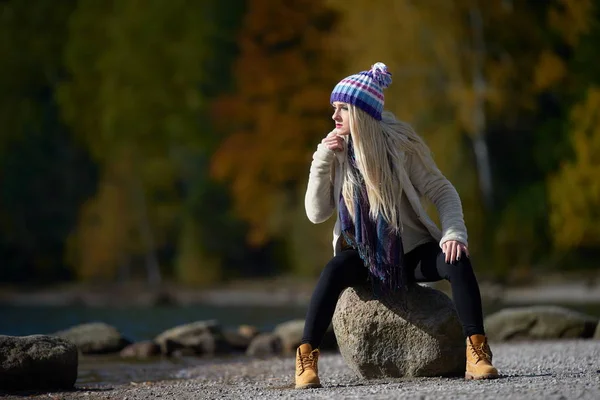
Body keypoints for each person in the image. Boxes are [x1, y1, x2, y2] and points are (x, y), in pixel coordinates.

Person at [295, 62, 499, 389]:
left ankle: (476, 352)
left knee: (457, 260)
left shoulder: (400, 146)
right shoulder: (334, 152)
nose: (334, 117)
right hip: (363, 259)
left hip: (411, 253)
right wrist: (321, 163)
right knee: (334, 270)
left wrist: (453, 233)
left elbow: (442, 190)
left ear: (361, 113)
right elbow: (316, 214)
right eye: (334, 108)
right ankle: (306, 358)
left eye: (343, 109)